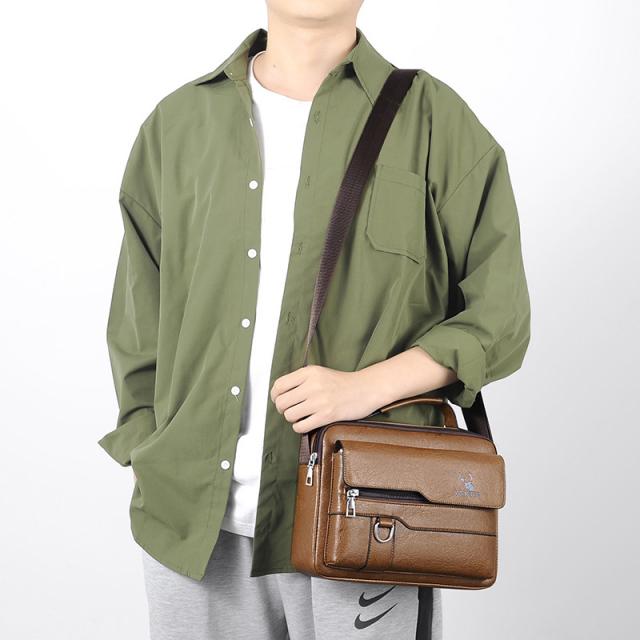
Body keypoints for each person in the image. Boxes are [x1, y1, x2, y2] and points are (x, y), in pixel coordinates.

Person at [97, 1, 531, 638]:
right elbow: (140, 313)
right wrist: (147, 448)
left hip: (368, 515)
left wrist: (366, 389)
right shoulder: (178, 124)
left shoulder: (435, 122)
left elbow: (501, 316)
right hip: (191, 525)